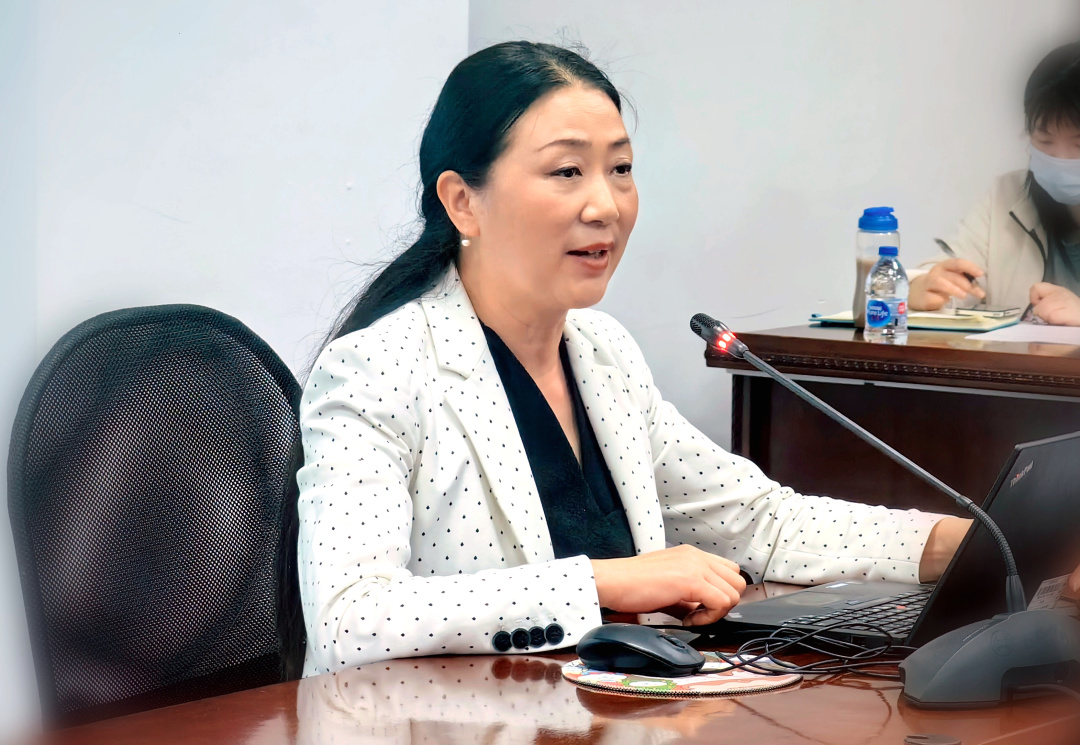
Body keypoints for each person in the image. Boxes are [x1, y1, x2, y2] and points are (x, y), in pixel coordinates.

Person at [296, 41, 970, 676]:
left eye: (620, 169)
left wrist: (963, 543)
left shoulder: (603, 353)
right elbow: (349, 618)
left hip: (610, 713)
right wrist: (602, 582)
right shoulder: (378, 370)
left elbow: (760, 522)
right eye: (567, 172)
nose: (606, 205)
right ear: (462, 202)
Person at [909, 42, 1080, 325]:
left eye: (1079, 144)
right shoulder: (1007, 195)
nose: (1060, 159)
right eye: (1045, 140)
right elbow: (951, 271)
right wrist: (921, 287)